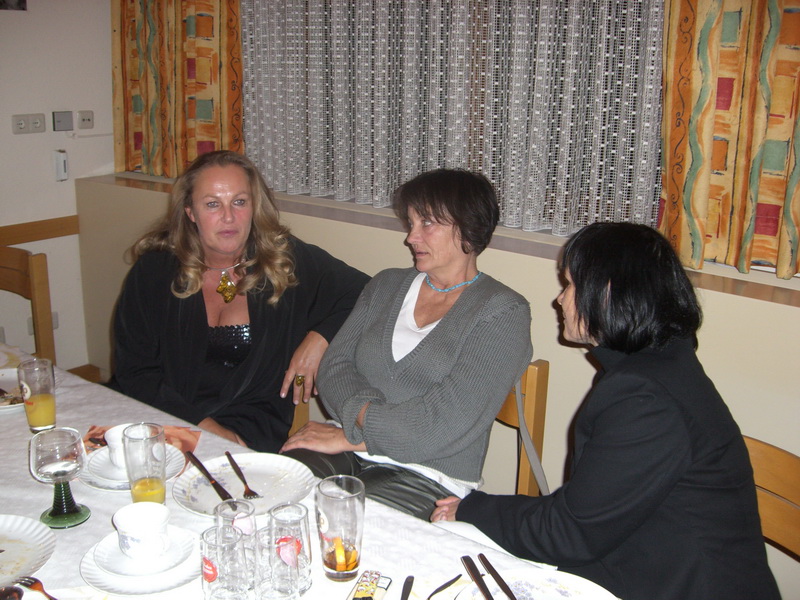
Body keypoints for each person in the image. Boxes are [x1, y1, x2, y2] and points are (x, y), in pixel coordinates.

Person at [431, 223, 779, 600]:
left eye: (569, 285)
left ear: (607, 291)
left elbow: (572, 532)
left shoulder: (645, 398)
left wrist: (474, 509)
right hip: (645, 567)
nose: (560, 300)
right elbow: (590, 514)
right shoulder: (659, 366)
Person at [281, 169, 533, 520]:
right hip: (343, 445)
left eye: (426, 223)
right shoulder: (385, 285)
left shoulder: (502, 312)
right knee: (279, 495)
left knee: (354, 529)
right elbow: (334, 367)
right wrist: (359, 429)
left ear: (468, 226)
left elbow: (441, 425)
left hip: (429, 472)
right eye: (411, 223)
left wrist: (356, 436)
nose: (411, 237)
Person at [110, 150, 369, 452]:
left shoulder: (285, 261)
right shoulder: (154, 271)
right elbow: (135, 371)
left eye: (239, 201)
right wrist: (202, 426)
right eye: (212, 204)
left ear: (254, 205)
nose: (229, 217)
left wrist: (320, 338)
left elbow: (370, 291)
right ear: (190, 212)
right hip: (162, 415)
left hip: (249, 428)